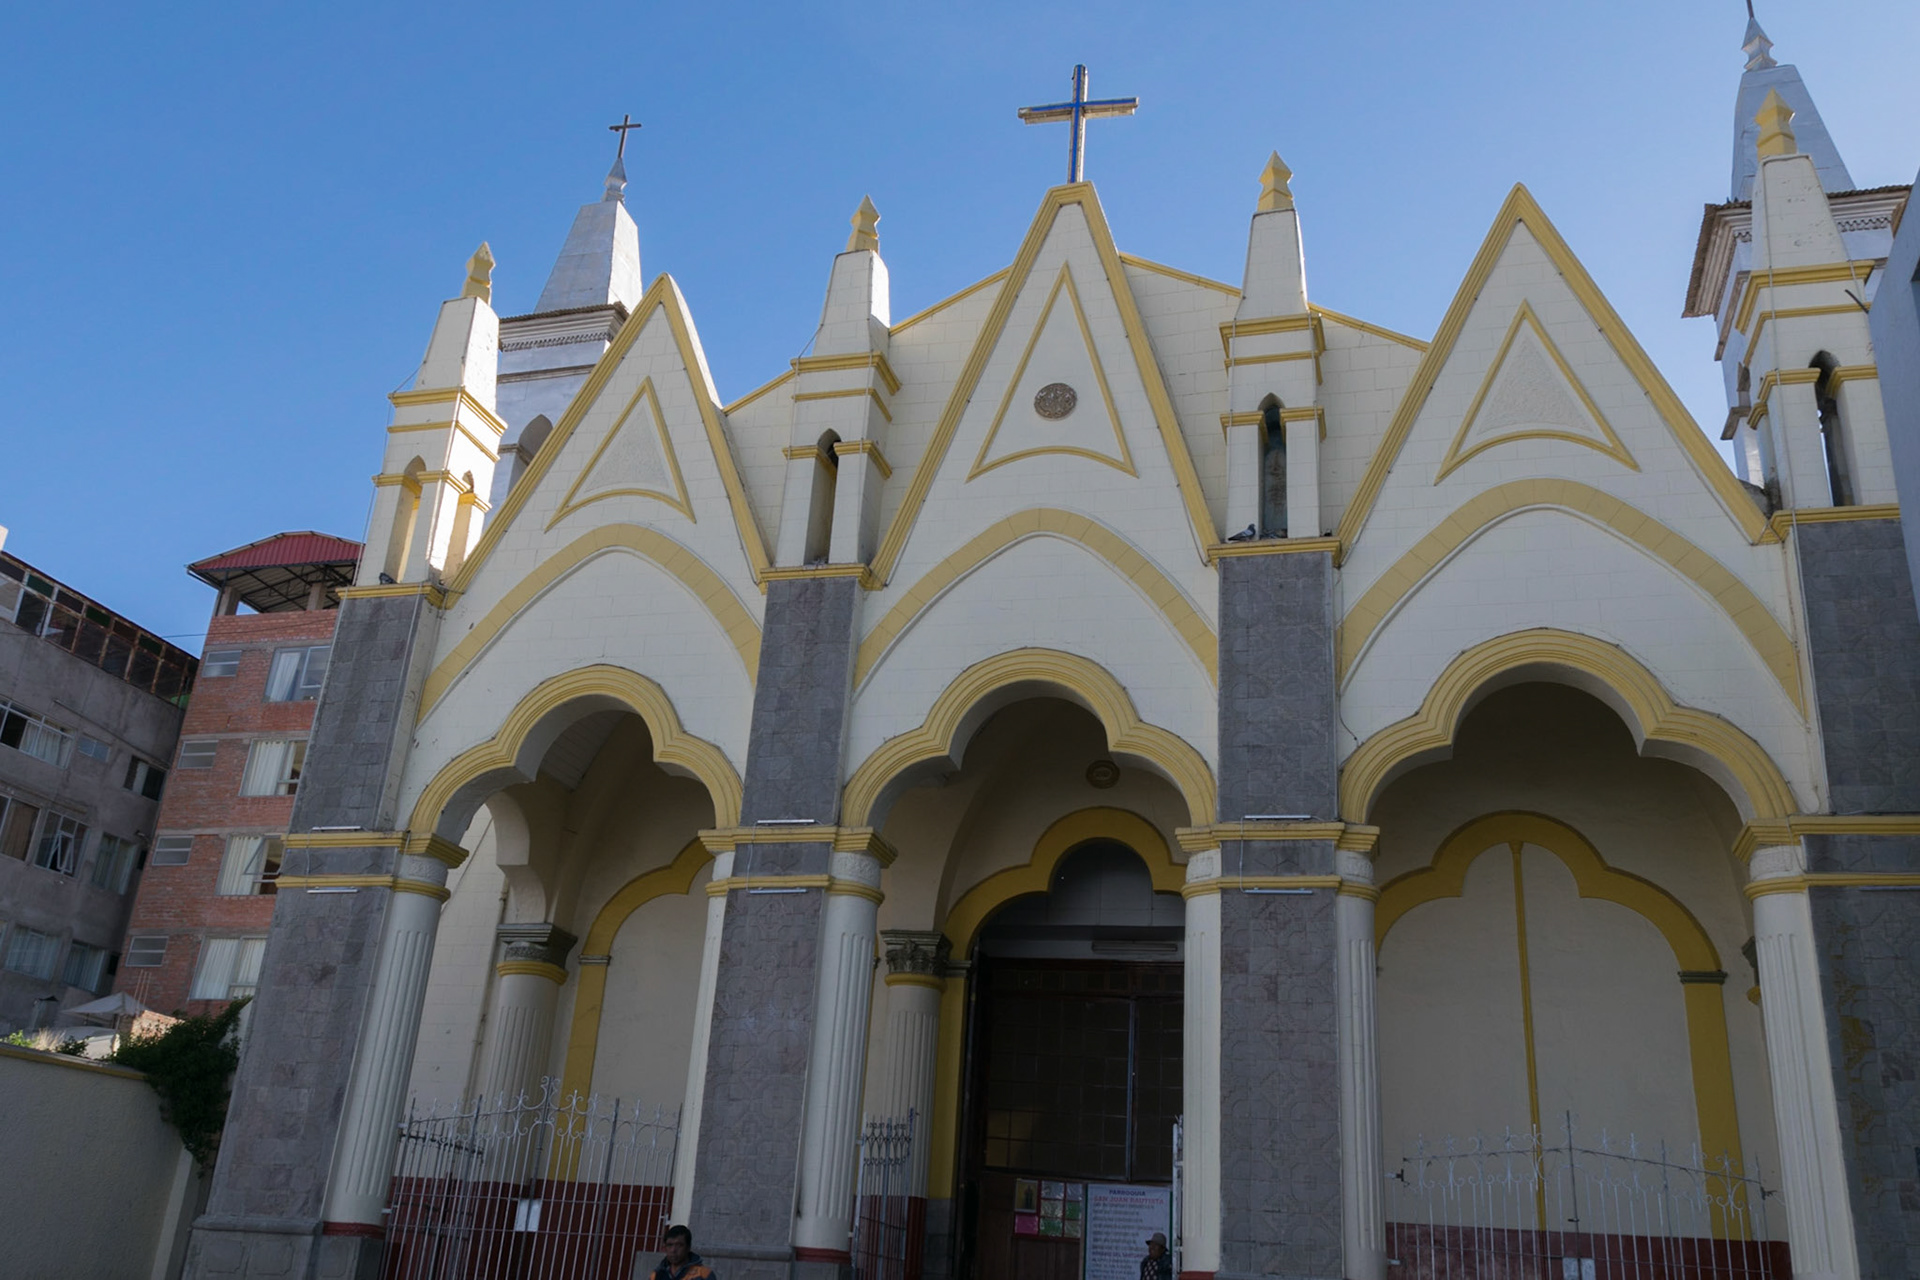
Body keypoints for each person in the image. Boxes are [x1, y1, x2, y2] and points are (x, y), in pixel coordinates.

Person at [648, 1224, 717, 1280]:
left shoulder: (703, 1274)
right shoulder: (656, 1275)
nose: (673, 1250)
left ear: (688, 1247)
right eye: (669, 1245)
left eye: (679, 1245)